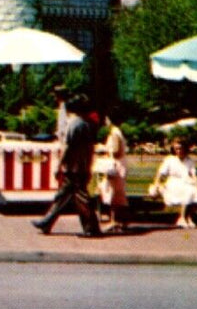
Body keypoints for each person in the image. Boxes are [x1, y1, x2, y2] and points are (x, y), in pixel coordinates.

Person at [32, 96, 101, 237]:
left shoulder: (74, 124)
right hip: (82, 166)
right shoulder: (87, 125)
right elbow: (90, 149)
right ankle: (47, 222)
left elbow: (68, 147)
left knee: (78, 199)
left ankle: (91, 228)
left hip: (73, 167)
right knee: (65, 197)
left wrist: (59, 165)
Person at [148, 137, 197, 229]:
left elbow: (193, 175)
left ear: (185, 148)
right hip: (173, 183)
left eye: (180, 148)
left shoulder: (189, 161)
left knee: (195, 191)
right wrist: (156, 184)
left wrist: (196, 183)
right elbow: (161, 174)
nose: (179, 150)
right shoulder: (170, 160)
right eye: (176, 148)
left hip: (186, 181)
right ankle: (182, 218)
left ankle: (188, 217)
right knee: (187, 191)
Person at [97, 114, 130, 233]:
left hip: (116, 166)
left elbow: (115, 151)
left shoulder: (114, 133)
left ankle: (114, 221)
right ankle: (121, 222)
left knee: (113, 194)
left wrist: (103, 150)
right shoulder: (118, 132)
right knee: (119, 195)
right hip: (120, 165)